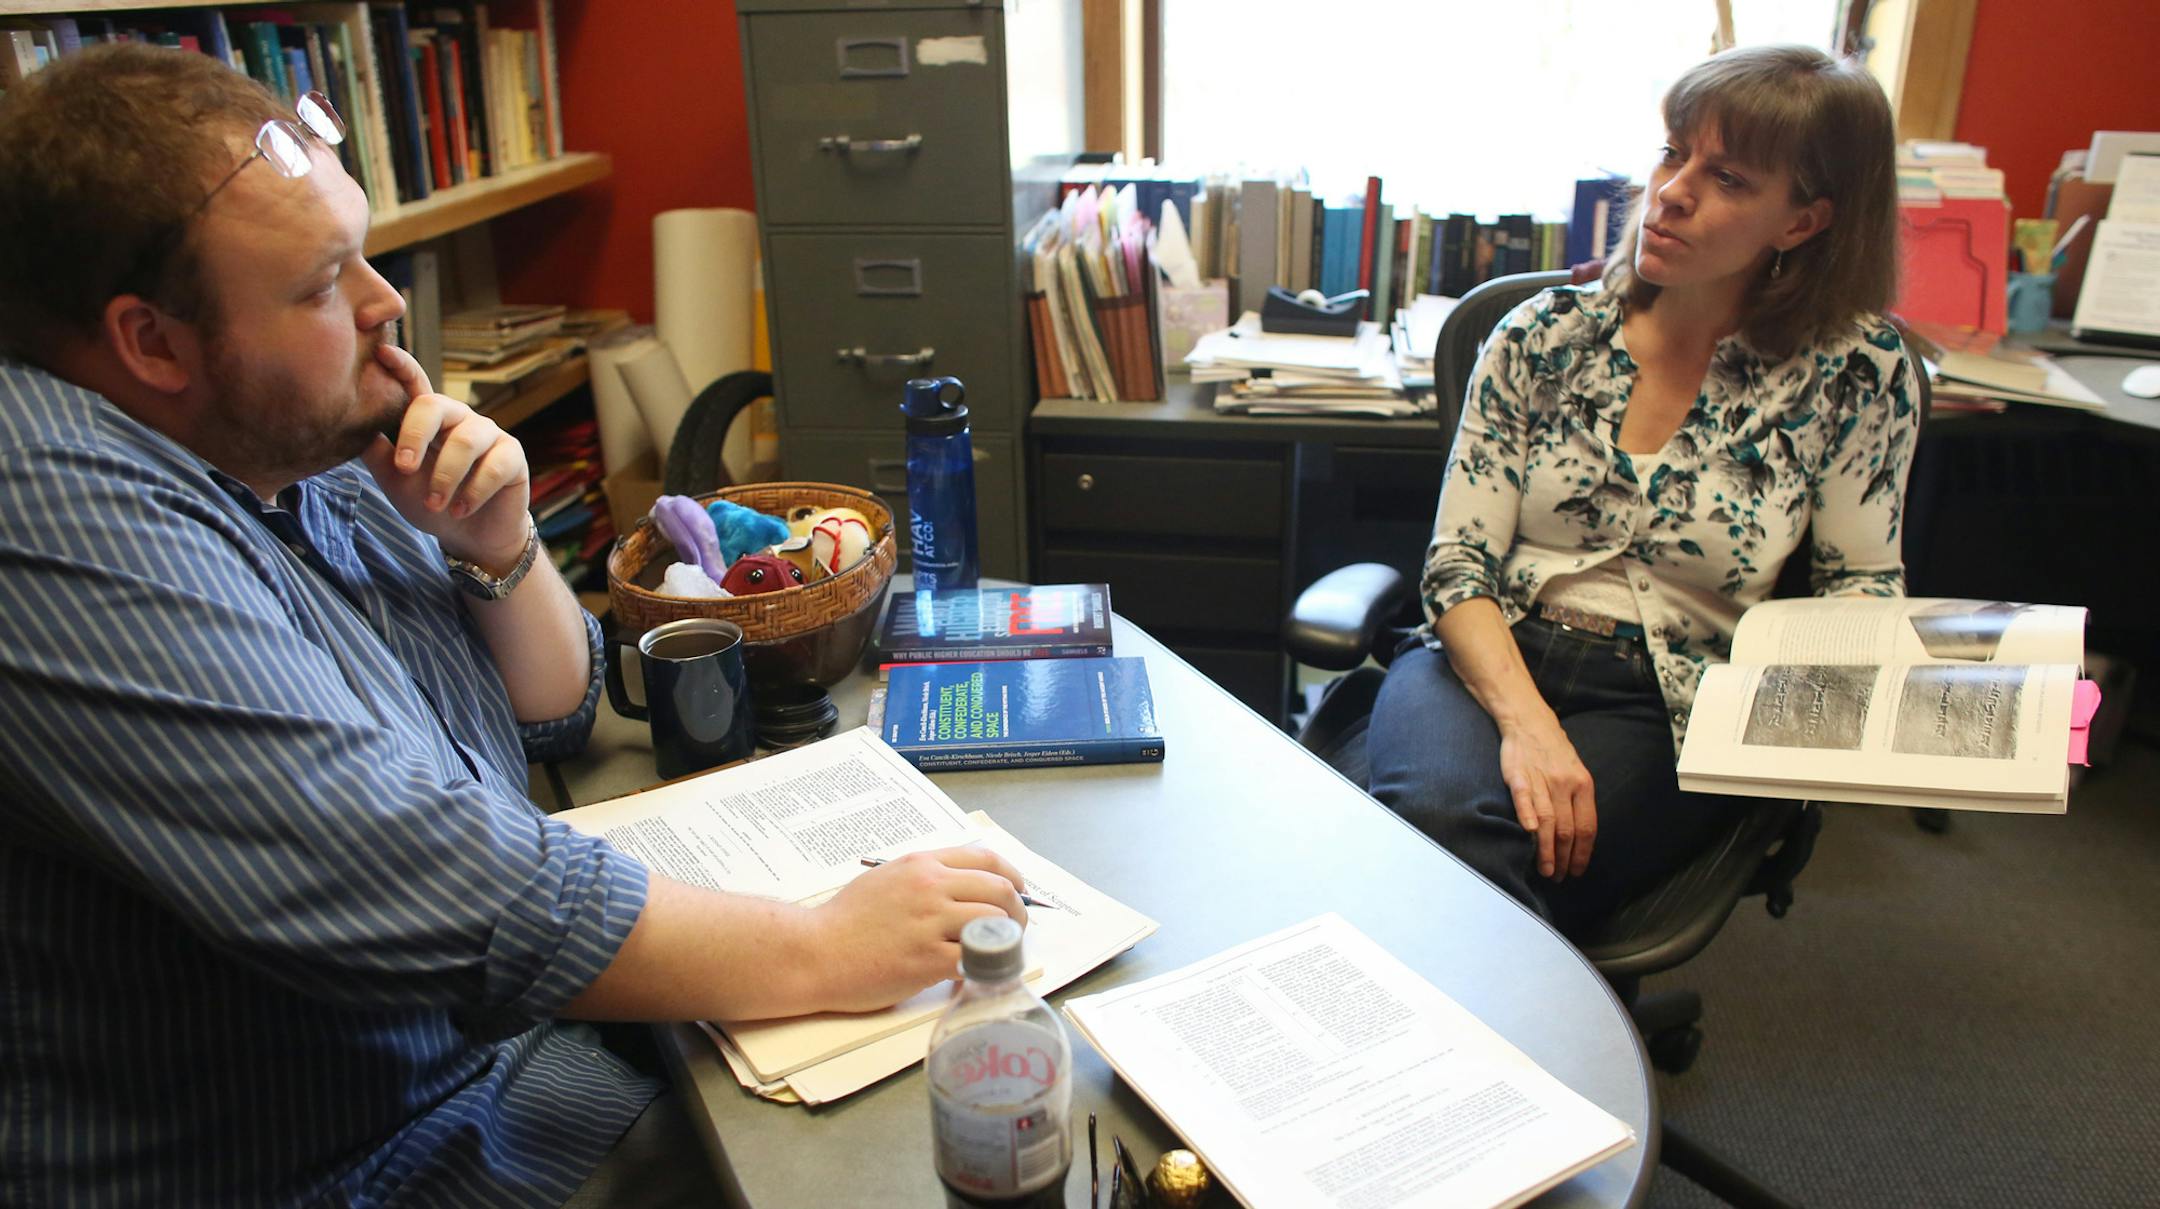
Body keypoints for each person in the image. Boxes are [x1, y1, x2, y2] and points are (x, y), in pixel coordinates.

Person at [0, 44, 1028, 1208]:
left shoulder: (280, 439)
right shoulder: (47, 503)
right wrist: (821, 949)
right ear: (151, 343)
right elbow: (403, 873)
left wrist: (498, 543)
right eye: (323, 283)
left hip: (492, 1075)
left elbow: (557, 709)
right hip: (346, 1164)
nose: (386, 304)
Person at [1366, 45, 1921, 932]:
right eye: (1673, 152)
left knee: (1496, 857)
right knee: (1439, 823)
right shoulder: (1544, 335)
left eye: (1727, 178)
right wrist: (1530, 726)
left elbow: (1862, 583)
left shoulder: (1856, 370)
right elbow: (1458, 563)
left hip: (1677, 698)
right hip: (1487, 653)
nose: (1671, 192)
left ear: (1802, 222)